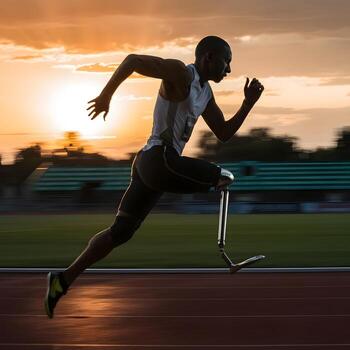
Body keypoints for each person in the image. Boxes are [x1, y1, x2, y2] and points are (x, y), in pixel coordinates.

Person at [44, 35, 264, 318]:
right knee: (223, 176)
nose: (229, 70)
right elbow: (133, 61)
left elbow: (223, 133)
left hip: (152, 167)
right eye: (227, 61)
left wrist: (248, 104)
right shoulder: (180, 73)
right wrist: (106, 95)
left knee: (120, 232)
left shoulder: (205, 93)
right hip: (158, 160)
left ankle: (61, 281)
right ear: (209, 57)